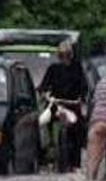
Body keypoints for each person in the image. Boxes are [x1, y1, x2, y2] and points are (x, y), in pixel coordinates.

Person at [38, 40, 89, 171]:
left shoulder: (77, 68)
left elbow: (84, 87)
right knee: (44, 123)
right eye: (61, 55)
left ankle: (75, 163)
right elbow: (44, 85)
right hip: (56, 103)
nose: (64, 57)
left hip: (72, 105)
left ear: (71, 55)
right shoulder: (53, 69)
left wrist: (81, 99)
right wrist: (44, 94)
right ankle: (47, 150)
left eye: (66, 55)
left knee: (79, 129)